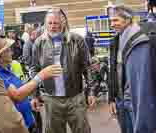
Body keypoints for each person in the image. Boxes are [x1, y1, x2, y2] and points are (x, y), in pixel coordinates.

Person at [31, 8, 97, 133]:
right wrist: (35, 95)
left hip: (75, 98)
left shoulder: (77, 40)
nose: (52, 26)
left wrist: (92, 91)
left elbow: (87, 67)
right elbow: (35, 69)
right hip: (51, 99)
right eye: (49, 23)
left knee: (82, 130)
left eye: (56, 23)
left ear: (63, 23)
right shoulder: (39, 43)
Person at [0, 38, 62, 133]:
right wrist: (41, 76)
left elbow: (21, 89)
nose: (12, 52)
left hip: (28, 121)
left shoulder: (10, 68)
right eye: (8, 50)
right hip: (18, 126)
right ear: (0, 55)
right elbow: (16, 95)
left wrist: (30, 101)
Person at [108, 5, 156, 133]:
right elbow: (112, 71)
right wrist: (112, 98)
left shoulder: (141, 40)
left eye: (115, 20)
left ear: (128, 20)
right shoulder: (114, 42)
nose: (112, 24)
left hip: (135, 103)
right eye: (111, 21)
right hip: (121, 101)